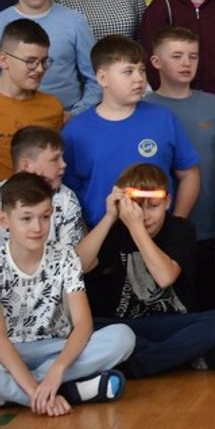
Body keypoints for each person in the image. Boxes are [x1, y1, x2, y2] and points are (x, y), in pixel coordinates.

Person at [78, 164, 215, 375]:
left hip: (174, 324)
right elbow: (78, 266)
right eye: (137, 208)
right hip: (128, 327)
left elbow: (165, 277)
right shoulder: (117, 230)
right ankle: (184, 356)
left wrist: (136, 227)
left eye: (153, 207)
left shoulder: (181, 229)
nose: (145, 216)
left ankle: (133, 365)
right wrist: (109, 217)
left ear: (167, 203)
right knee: (87, 328)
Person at [0, 173, 133, 415]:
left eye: (45, 216)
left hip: (55, 349)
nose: (37, 227)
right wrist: (35, 389)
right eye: (26, 218)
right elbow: (1, 341)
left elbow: (83, 324)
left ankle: (20, 392)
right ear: (4, 220)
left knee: (123, 337)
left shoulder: (65, 256)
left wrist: (57, 371)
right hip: (9, 352)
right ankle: (65, 394)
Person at [142, 27, 215, 311]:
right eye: (177, 56)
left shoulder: (212, 105)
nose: (186, 63)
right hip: (157, 229)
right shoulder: (142, 107)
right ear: (156, 61)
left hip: (208, 226)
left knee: (209, 306)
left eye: (193, 56)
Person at [62, 36, 199, 227]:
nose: (139, 78)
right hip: (101, 234)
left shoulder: (163, 119)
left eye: (142, 70)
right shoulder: (75, 131)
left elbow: (189, 174)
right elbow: (67, 192)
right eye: (128, 71)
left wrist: (177, 223)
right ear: (102, 78)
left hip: (158, 232)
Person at [1, 0, 99, 117]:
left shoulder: (74, 21)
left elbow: (96, 77)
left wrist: (76, 114)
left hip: (64, 116)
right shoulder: (1, 22)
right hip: (10, 118)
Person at [0, 21, 63, 178]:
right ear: (4, 60)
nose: (40, 69)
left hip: (37, 190)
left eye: (44, 61)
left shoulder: (52, 107)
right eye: (30, 61)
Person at [8, 127, 85, 248]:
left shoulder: (66, 199)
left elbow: (71, 254)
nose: (64, 164)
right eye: (55, 159)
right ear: (26, 165)